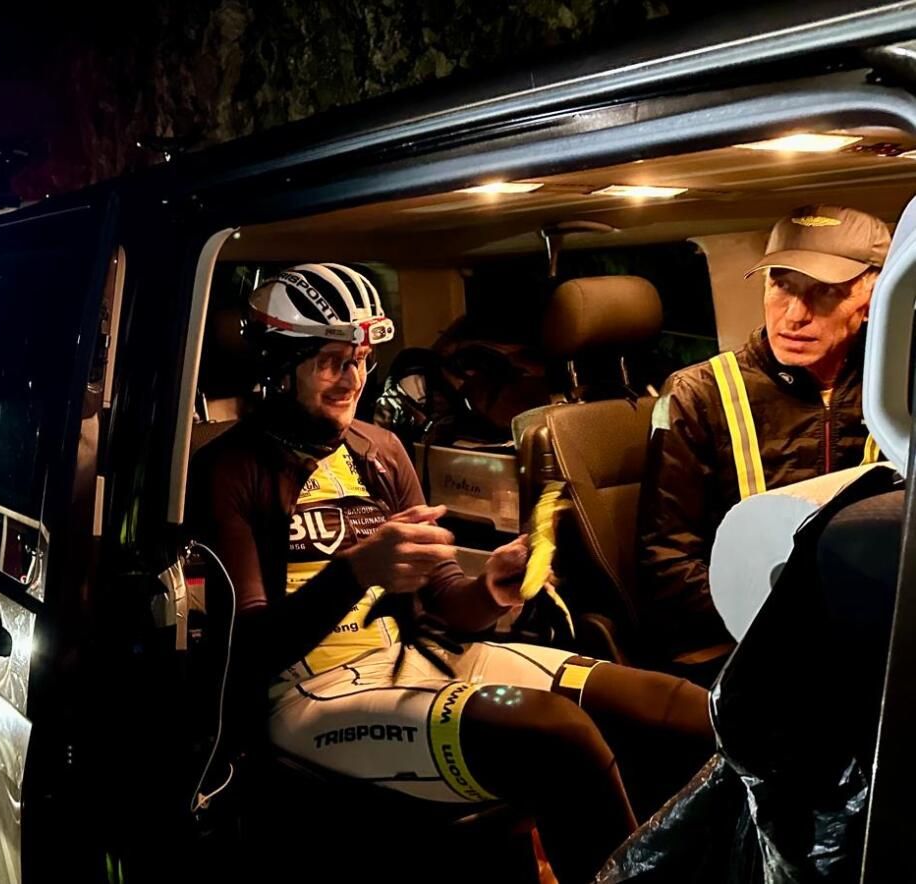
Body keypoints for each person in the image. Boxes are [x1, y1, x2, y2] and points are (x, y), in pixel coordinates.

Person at [187, 264, 715, 884]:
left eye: (360, 360)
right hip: (306, 694)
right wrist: (357, 573)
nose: (352, 380)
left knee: (679, 710)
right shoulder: (228, 470)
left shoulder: (381, 451)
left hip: (412, 657)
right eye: (331, 362)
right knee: (555, 734)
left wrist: (493, 587)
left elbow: (446, 601)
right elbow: (248, 652)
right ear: (279, 367)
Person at [636, 204, 889, 682]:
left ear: (874, 296)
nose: (794, 315)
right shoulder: (698, 393)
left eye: (826, 292)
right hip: (738, 646)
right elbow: (666, 565)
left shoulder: (896, 390)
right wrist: (793, 623)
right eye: (782, 285)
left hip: (867, 634)